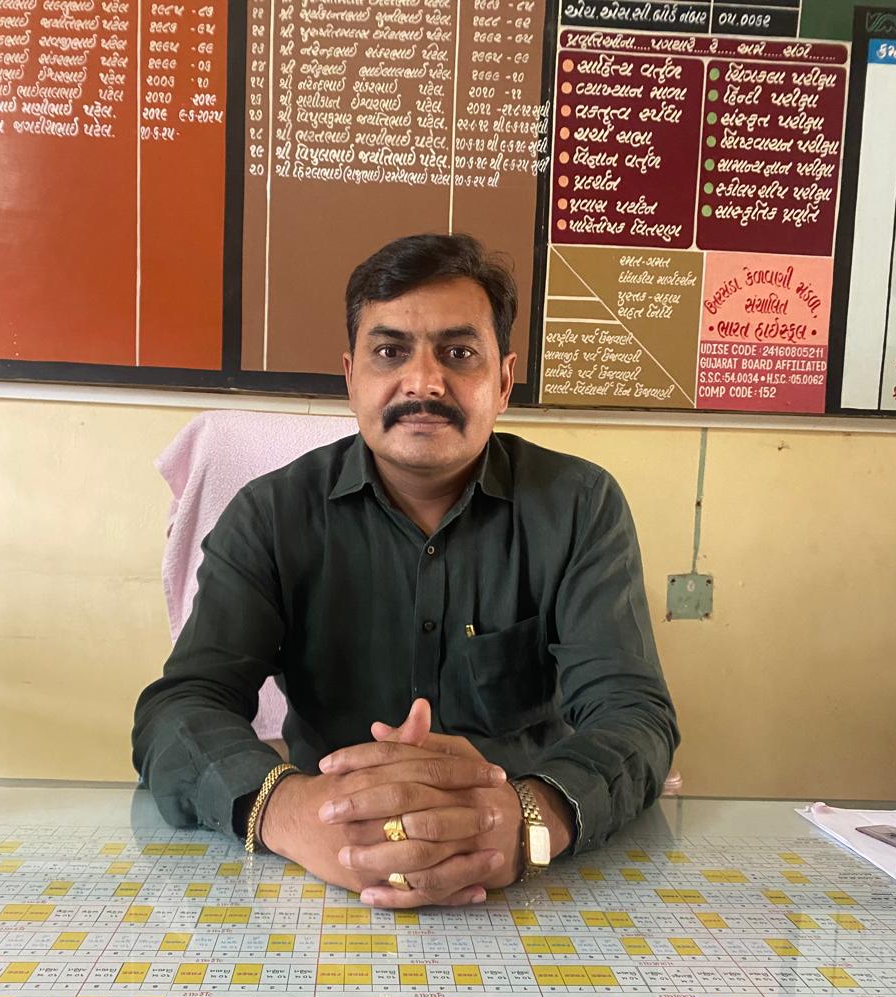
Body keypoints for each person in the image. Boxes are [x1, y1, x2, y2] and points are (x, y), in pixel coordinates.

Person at [132, 233, 678, 909]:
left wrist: (530, 820)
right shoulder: (270, 515)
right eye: (390, 352)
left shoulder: (578, 506)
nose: (423, 382)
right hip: (325, 870)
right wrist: (291, 813)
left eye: (459, 353)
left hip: (522, 867)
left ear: (503, 380)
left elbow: (634, 712)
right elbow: (181, 707)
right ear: (351, 377)